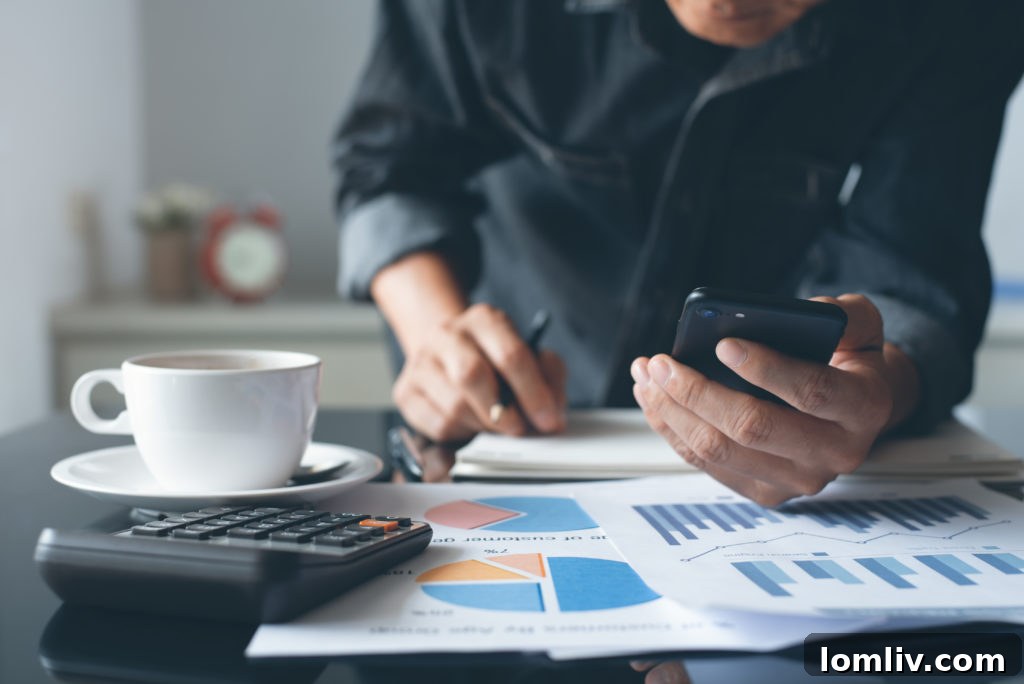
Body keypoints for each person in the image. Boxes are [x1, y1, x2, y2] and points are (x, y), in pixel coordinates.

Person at [332, 0, 1024, 506]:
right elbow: (388, 170)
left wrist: (872, 395)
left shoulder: (966, 18)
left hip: (788, 486)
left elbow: (915, 269)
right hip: (496, 440)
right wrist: (436, 340)